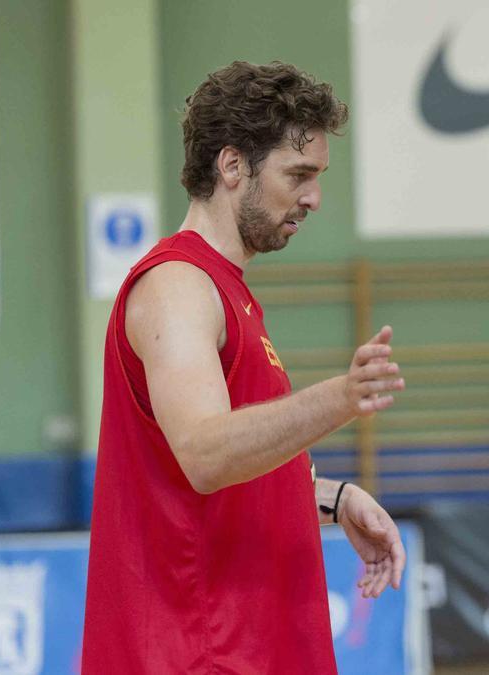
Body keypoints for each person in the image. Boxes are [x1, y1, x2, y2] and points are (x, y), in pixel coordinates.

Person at [82, 61, 407, 673]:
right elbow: (206, 456)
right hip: (199, 654)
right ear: (232, 166)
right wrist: (342, 397)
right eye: (299, 174)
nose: (313, 197)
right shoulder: (178, 286)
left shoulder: (223, 289)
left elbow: (208, 482)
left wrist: (332, 498)